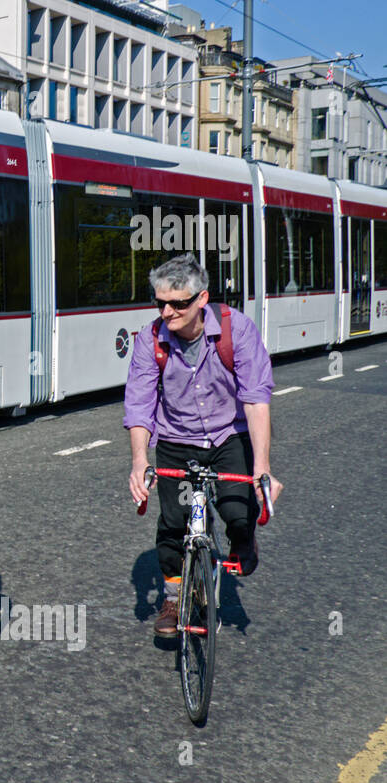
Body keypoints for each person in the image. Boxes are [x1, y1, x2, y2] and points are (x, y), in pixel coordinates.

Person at [124, 254, 283, 636]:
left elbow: (256, 398)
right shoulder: (151, 340)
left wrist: (261, 466)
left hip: (229, 434)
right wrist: (139, 461)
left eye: (178, 303)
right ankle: (174, 599)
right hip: (178, 439)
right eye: (160, 302)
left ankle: (244, 542)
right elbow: (140, 405)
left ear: (201, 300)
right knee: (174, 523)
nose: (167, 311)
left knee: (237, 511)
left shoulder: (236, 330)